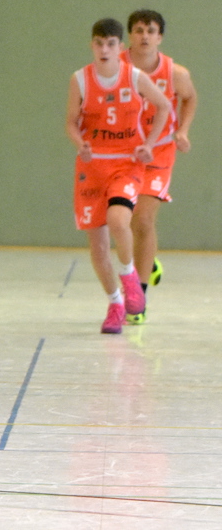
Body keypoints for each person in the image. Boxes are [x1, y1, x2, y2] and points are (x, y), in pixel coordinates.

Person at [65, 18, 170, 334]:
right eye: (99, 43)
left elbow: (164, 106)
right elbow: (70, 122)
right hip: (92, 166)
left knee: (119, 221)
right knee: (97, 247)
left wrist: (149, 144)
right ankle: (114, 303)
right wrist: (79, 142)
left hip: (126, 164)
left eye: (111, 43)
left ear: (120, 48)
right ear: (92, 45)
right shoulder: (80, 80)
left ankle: (130, 279)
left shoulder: (134, 77)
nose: (104, 49)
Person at [122, 9, 197, 321]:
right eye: (139, 30)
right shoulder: (117, 68)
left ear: (160, 37)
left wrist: (183, 130)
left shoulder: (175, 72)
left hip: (160, 152)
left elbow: (190, 98)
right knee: (120, 220)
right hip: (124, 152)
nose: (144, 36)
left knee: (143, 219)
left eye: (151, 31)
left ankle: (139, 298)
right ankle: (147, 262)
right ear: (130, 35)